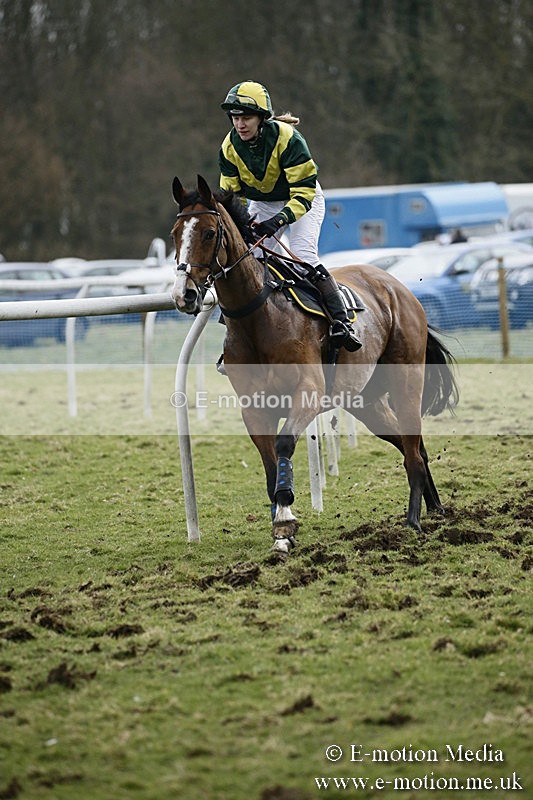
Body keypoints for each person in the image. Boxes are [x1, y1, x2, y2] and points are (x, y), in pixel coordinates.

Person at [218, 81, 362, 352]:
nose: (240, 124)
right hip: (263, 203)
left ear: (262, 118)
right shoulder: (229, 146)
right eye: (235, 118)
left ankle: (341, 322)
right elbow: (229, 197)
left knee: (302, 256)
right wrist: (244, 223)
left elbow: (304, 193)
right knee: (249, 262)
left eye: (246, 117)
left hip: (302, 199)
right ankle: (238, 338)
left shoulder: (288, 138)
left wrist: (279, 220)